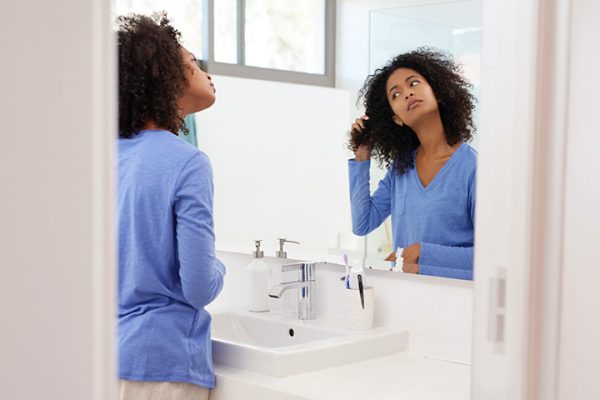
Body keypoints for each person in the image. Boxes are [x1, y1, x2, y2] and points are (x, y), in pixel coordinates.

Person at [116, 13, 225, 399]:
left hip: (103, 357)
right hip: (161, 363)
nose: (206, 72)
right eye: (193, 62)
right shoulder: (188, 162)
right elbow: (199, 288)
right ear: (164, 75)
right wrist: (220, 268)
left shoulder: (105, 157)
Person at [348, 48, 476, 280]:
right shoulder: (401, 168)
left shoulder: (472, 168)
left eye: (414, 83)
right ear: (396, 118)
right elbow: (362, 224)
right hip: (406, 293)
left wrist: (420, 254)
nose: (407, 93)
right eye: (395, 94)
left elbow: (490, 257)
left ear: (437, 92)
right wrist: (362, 155)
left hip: (454, 297)